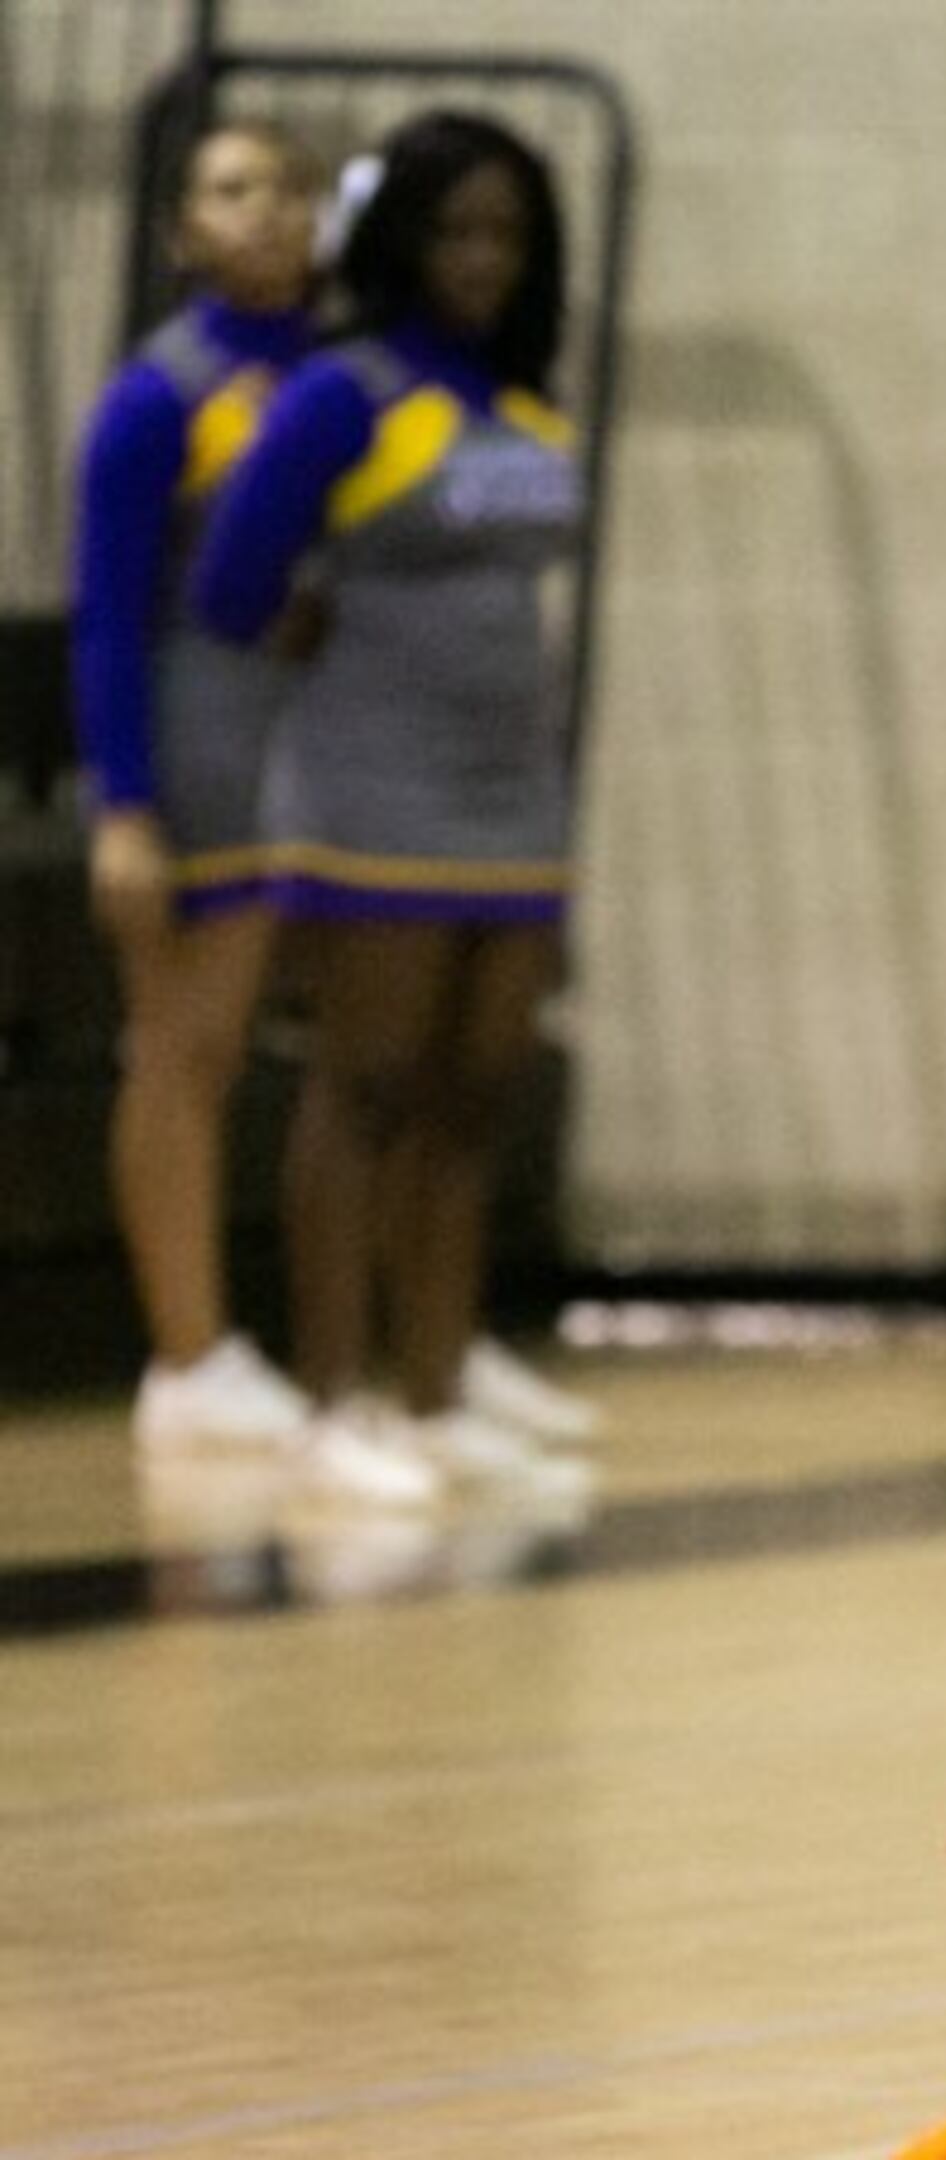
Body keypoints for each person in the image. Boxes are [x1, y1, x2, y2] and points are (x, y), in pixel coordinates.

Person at [193, 109, 598, 1504]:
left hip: (514, 800)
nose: (481, 257)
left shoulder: (526, 399)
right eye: (455, 227)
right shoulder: (341, 392)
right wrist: (320, 630)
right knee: (361, 1091)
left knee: (475, 1094)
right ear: (402, 238)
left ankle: (433, 1385)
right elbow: (231, 582)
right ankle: (331, 1396)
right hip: (376, 793)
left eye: (506, 232)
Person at [70, 120, 327, 1470]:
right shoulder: (157, 396)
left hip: (319, 756)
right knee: (184, 1050)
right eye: (234, 192)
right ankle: (185, 1352)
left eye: (287, 188)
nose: (267, 214)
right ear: (183, 231)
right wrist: (123, 803)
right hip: (197, 752)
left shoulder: (342, 378)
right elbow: (110, 613)